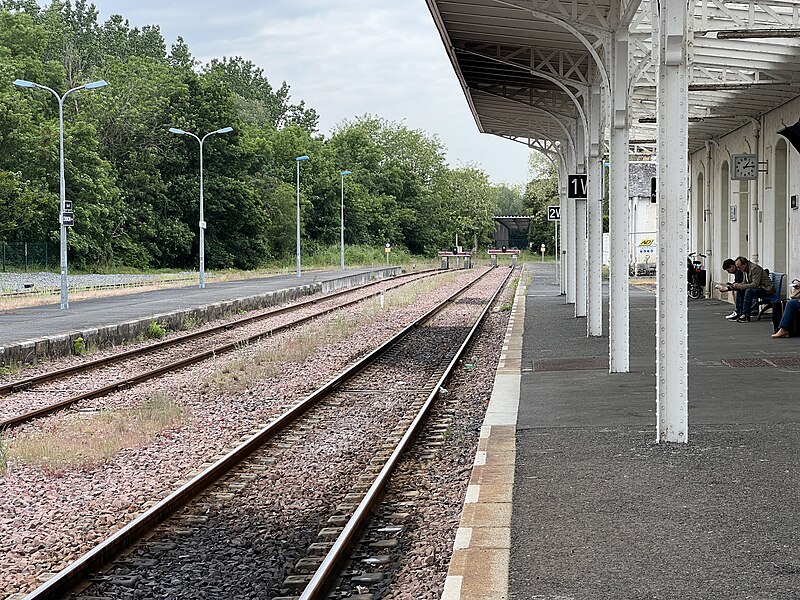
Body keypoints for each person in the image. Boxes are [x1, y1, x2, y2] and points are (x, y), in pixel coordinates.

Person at [729, 256, 774, 322]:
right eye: (737, 267)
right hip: (758, 288)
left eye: (739, 267)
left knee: (749, 291)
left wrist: (740, 286)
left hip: (766, 288)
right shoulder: (744, 270)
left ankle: (746, 315)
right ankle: (739, 312)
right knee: (740, 290)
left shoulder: (754, 268)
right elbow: (745, 283)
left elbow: (755, 284)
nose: (738, 269)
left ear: (745, 264)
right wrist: (737, 286)